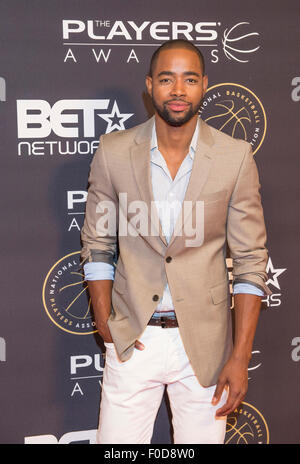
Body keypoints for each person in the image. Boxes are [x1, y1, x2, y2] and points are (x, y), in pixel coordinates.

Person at [80, 39, 271, 444]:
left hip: (205, 345)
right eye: (167, 79)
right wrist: (103, 318)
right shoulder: (114, 152)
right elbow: (97, 242)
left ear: (205, 85)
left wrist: (239, 357)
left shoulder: (234, 156)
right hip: (133, 338)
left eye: (189, 79)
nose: (178, 90)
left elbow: (252, 260)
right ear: (150, 85)